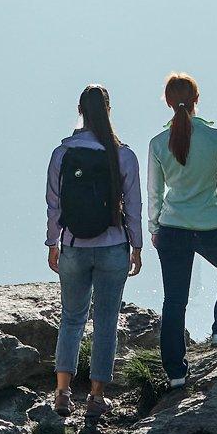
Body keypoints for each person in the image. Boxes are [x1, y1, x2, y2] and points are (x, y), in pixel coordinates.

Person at [43, 84, 143, 413]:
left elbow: (54, 204)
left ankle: (62, 394)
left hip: (73, 245)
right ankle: (97, 398)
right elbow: (133, 207)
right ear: (109, 111)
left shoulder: (63, 154)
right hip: (114, 246)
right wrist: (136, 246)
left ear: (80, 110)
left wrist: (53, 242)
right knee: (106, 321)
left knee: (71, 319)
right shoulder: (123, 155)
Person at [148, 71, 217, 381]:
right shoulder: (216, 139)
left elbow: (154, 193)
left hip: (171, 228)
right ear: (196, 101)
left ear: (166, 102)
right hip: (209, 227)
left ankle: (175, 373)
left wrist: (153, 228)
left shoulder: (158, 143)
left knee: (174, 300)